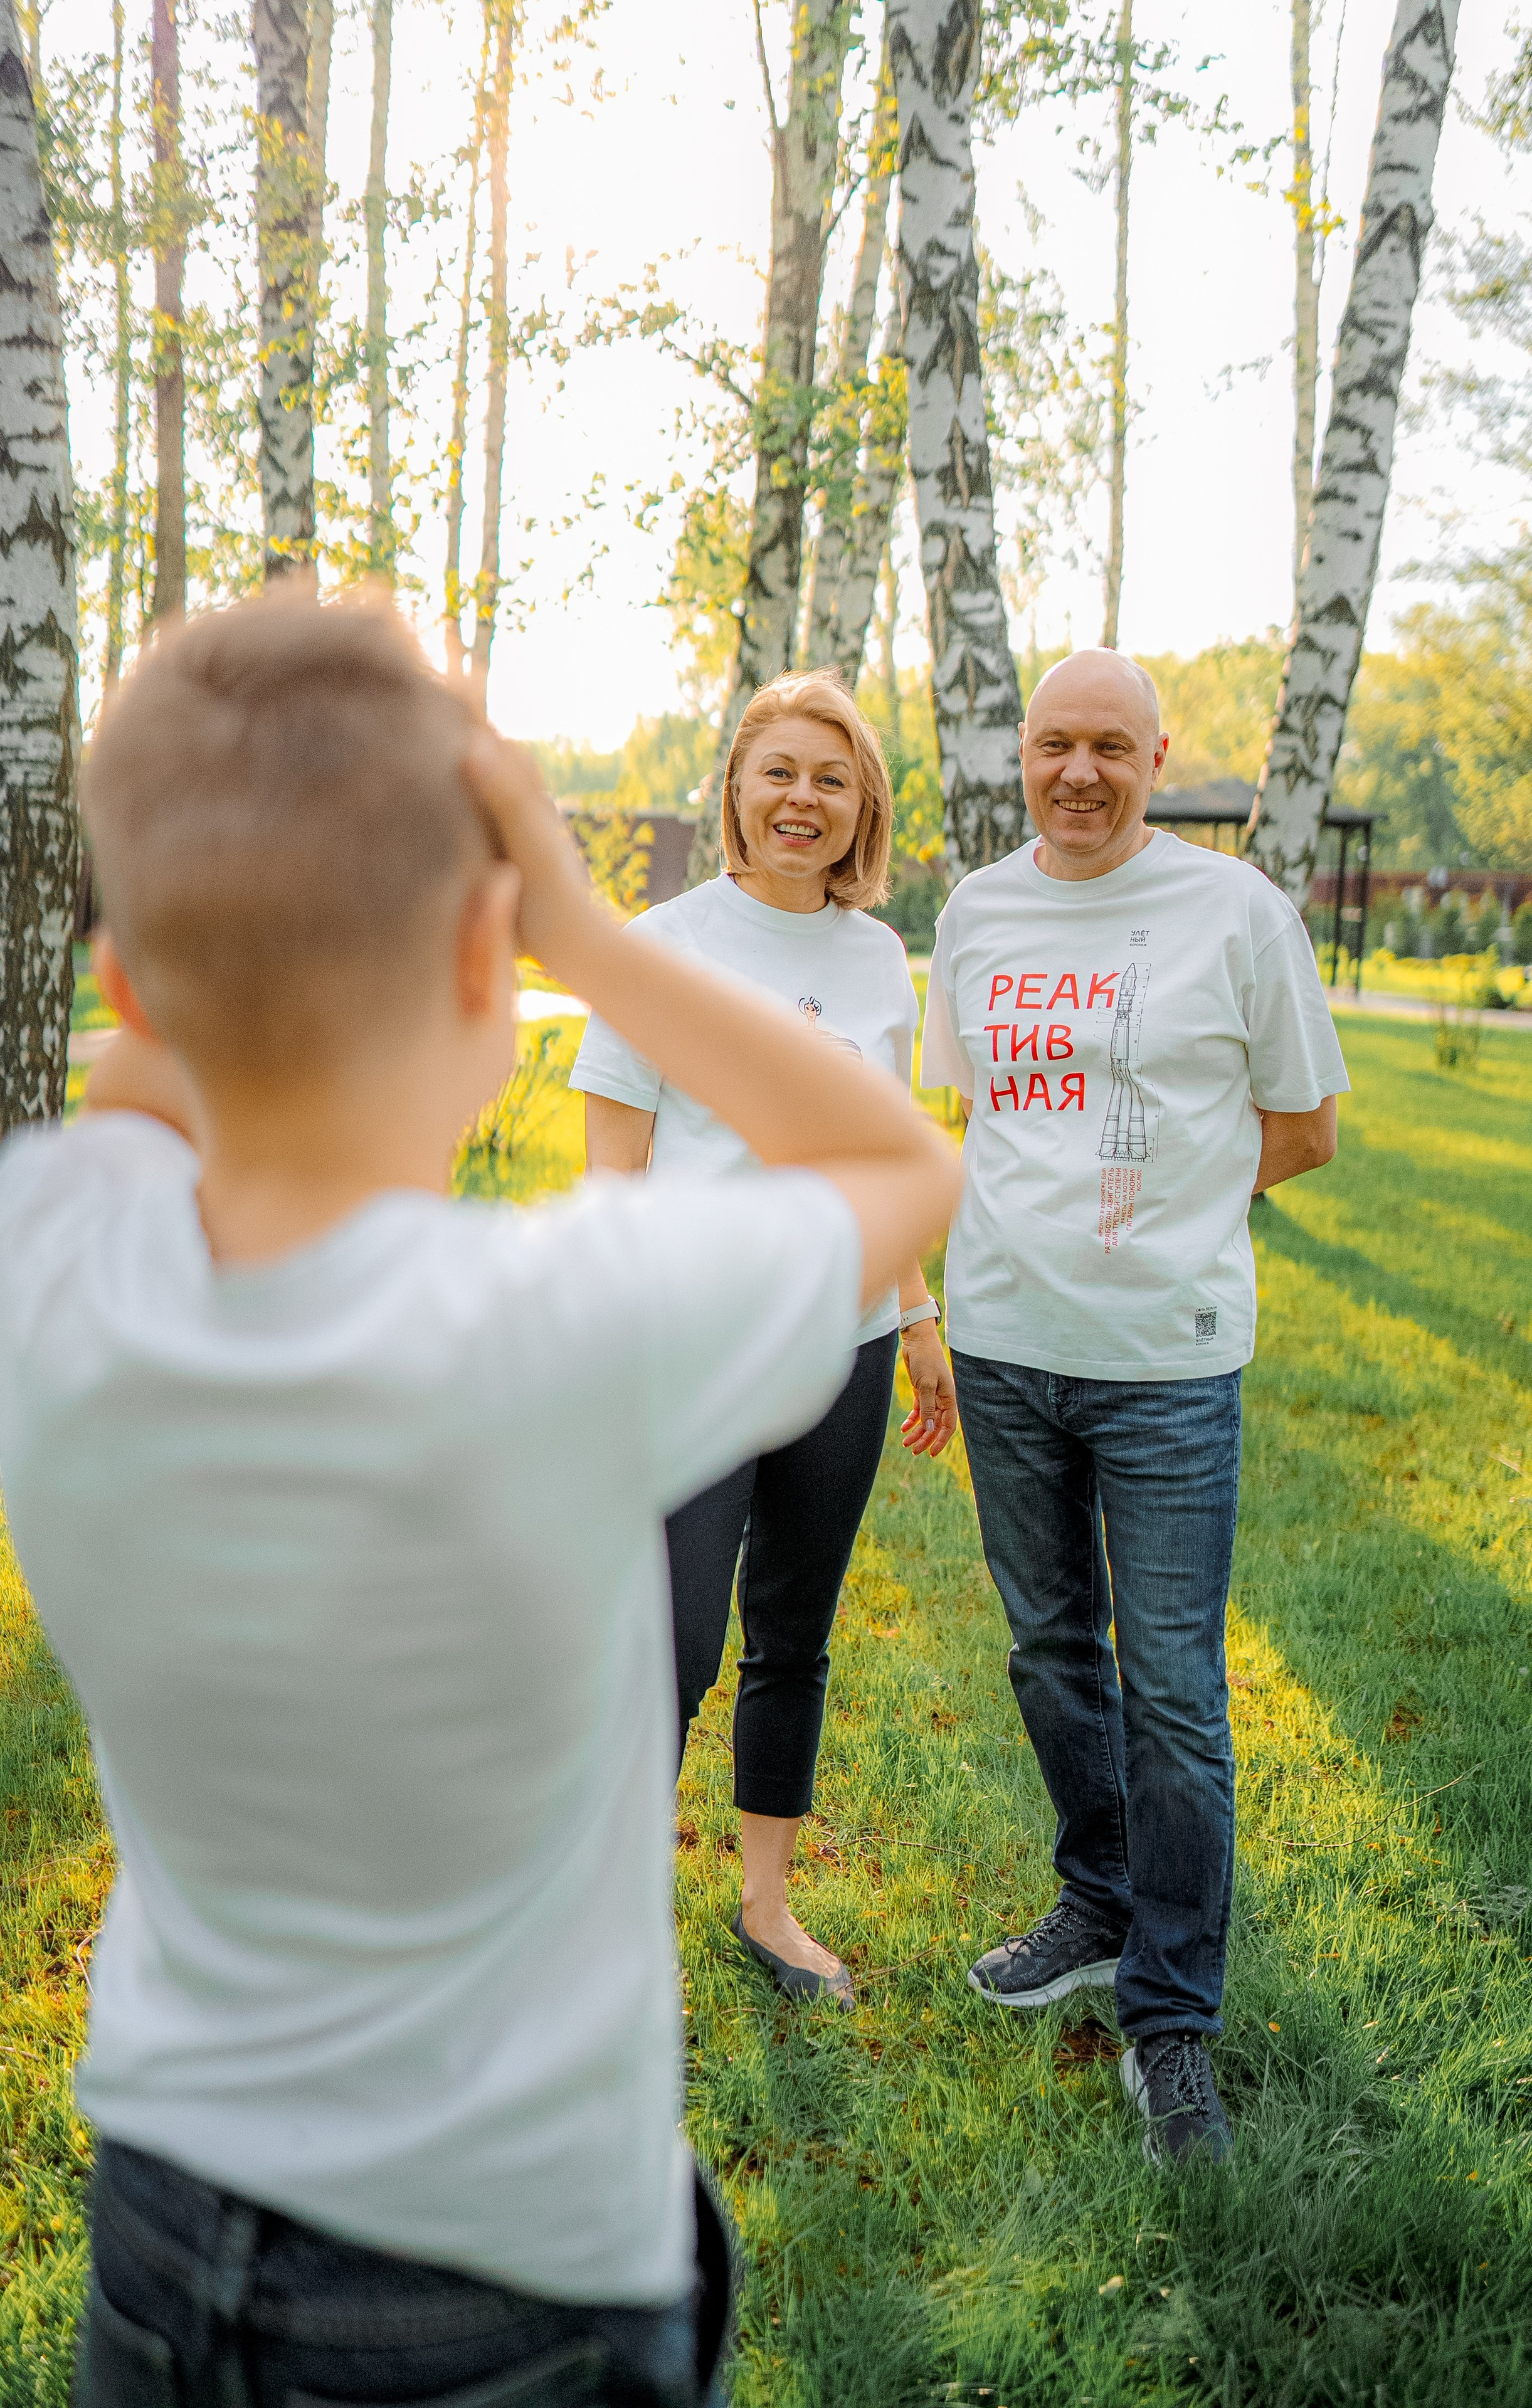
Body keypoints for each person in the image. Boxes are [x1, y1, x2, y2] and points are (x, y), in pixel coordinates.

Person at [0, 588, 959, 2405]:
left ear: (127, 980)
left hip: (164, 2223)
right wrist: (582, 916)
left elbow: (137, 1086)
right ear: (492, 965)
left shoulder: (49, 1248)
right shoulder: (573, 1330)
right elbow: (893, 1160)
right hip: (495, 2281)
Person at [920, 647, 1347, 2167]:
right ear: (1019, 760)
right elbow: (978, 1119)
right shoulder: (973, 914)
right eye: (1054, 746)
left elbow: (1303, 1127)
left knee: (1169, 1689)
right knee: (1047, 1649)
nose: (1079, 772)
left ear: (1157, 759)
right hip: (1003, 1348)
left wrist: (1162, 1214)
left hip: (1166, 1362)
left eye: (1110, 745)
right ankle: (1096, 1901)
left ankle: (1171, 2018)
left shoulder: (1236, 913)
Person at [570, 670, 958, 2010]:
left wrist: (913, 1312)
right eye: (779, 773)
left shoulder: (872, 958)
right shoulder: (659, 944)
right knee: (666, 1639)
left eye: (829, 780)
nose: (802, 801)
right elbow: (610, 1162)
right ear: (734, 789)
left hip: (841, 1341)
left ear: (861, 809)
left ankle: (765, 1907)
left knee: (792, 1628)